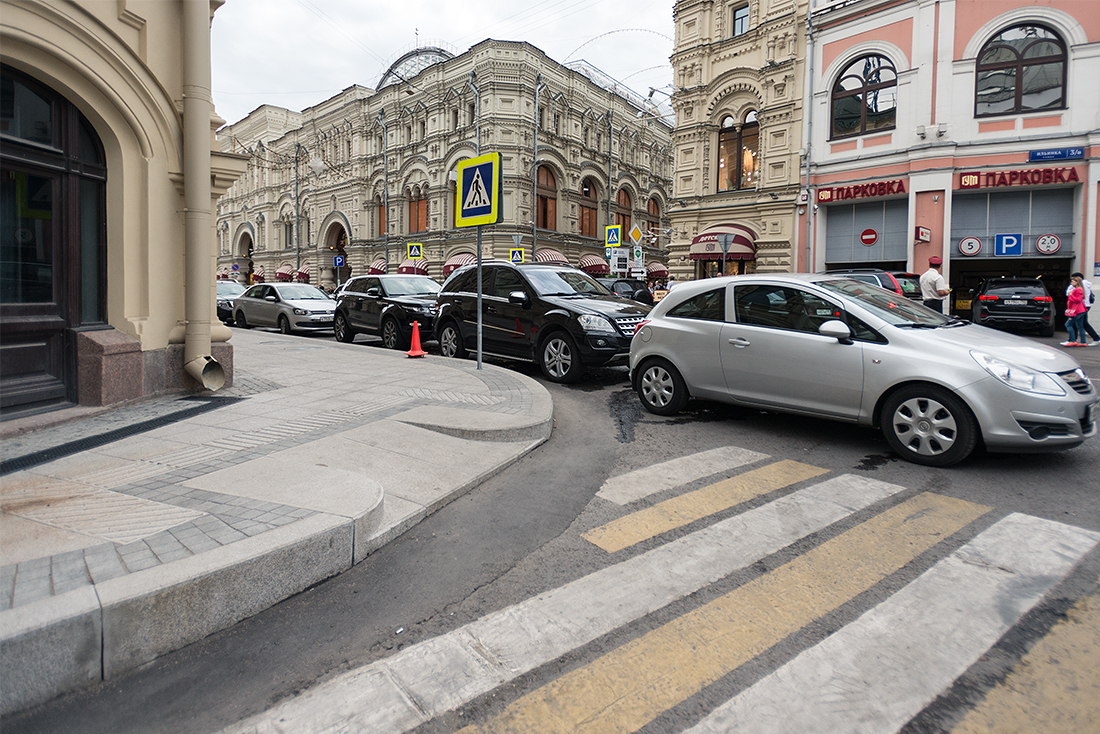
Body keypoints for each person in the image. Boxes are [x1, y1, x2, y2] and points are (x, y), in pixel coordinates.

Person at [1066, 271, 1099, 345]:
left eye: (1073, 279)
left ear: (1078, 279)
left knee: (1072, 323)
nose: (1072, 282)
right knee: (1082, 324)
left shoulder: (1079, 287)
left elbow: (1070, 294)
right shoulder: (1085, 285)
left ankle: (1073, 340)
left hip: (1080, 307)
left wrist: (1071, 295)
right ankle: (1081, 341)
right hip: (1084, 306)